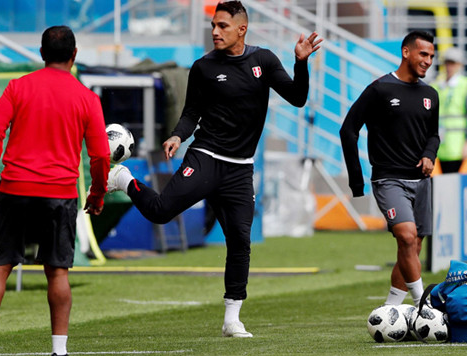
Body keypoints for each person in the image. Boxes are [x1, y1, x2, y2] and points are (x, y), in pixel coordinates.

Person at [105, 0, 322, 337]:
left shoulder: (263, 60)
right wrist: (178, 135)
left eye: (222, 26)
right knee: (161, 211)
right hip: (205, 156)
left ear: (241, 29)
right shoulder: (203, 66)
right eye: (213, 26)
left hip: (240, 169)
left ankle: (231, 319)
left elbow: (297, 97)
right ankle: (123, 178)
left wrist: (301, 62)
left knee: (239, 240)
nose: (215, 31)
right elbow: (192, 111)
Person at [0, 26, 111, 356]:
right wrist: (97, 193)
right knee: (57, 271)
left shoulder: (18, 87)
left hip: (15, 187)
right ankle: (59, 353)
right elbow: (101, 156)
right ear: (74, 55)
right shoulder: (87, 98)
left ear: (41, 53)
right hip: (59, 193)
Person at [339, 31, 439, 307]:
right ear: (406, 52)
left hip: (421, 181)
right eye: (423, 54)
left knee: (412, 247)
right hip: (389, 179)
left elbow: (434, 135)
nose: (428, 61)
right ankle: (423, 306)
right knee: (406, 237)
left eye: (431, 56)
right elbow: (348, 130)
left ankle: (391, 308)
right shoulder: (379, 89)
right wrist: (356, 181)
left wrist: (430, 154)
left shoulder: (430, 94)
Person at [431, 47, 467, 173]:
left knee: (451, 178)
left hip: (458, 145)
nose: (449, 66)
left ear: (460, 65)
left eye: (453, 63)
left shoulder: (466, 85)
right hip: (442, 144)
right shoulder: (436, 86)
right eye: (447, 62)